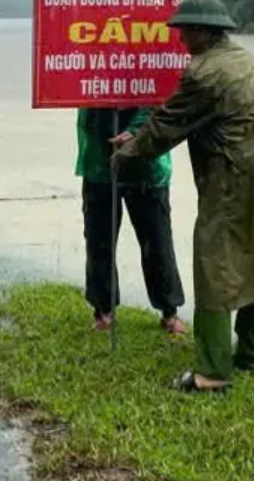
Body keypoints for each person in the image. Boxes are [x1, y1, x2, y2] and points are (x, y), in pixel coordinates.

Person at [110, 0, 254, 393]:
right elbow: (179, 115)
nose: (179, 39)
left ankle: (212, 372)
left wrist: (125, 154)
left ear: (203, 31)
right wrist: (139, 133)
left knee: (214, 266)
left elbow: (168, 124)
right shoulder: (242, 60)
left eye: (184, 31)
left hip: (231, 180)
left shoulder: (204, 72)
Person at [76, 107, 187, 336]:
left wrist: (137, 130)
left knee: (158, 241)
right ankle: (103, 310)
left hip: (148, 159)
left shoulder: (154, 71)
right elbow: (77, 86)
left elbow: (163, 96)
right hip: (100, 153)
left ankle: (169, 311)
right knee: (99, 240)